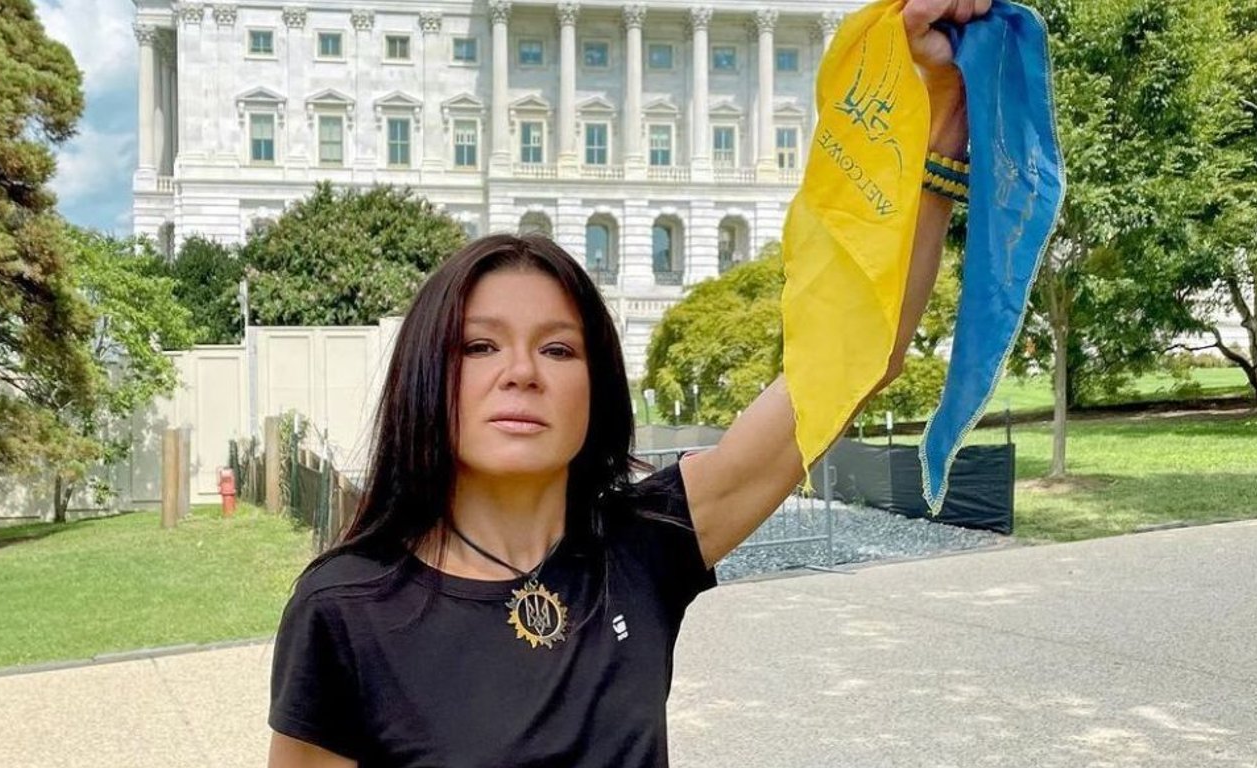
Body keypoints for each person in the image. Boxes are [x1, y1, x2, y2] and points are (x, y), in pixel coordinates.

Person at [267, 1, 990, 765]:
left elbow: (854, 363)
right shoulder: (345, 608)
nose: (521, 372)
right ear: (426, 376)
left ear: (597, 389)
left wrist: (941, 124)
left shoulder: (641, 546)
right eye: (480, 346)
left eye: (558, 350)